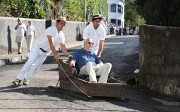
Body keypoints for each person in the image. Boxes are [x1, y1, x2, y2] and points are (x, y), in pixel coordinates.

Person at [12, 16, 71, 86]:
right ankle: (18, 79)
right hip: (37, 48)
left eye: (64, 24)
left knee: (36, 67)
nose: (63, 26)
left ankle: (26, 78)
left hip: (45, 52)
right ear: (57, 23)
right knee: (30, 61)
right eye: (61, 23)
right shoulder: (51, 29)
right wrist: (55, 54)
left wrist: (67, 55)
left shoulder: (62, 35)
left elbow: (62, 46)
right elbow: (51, 43)